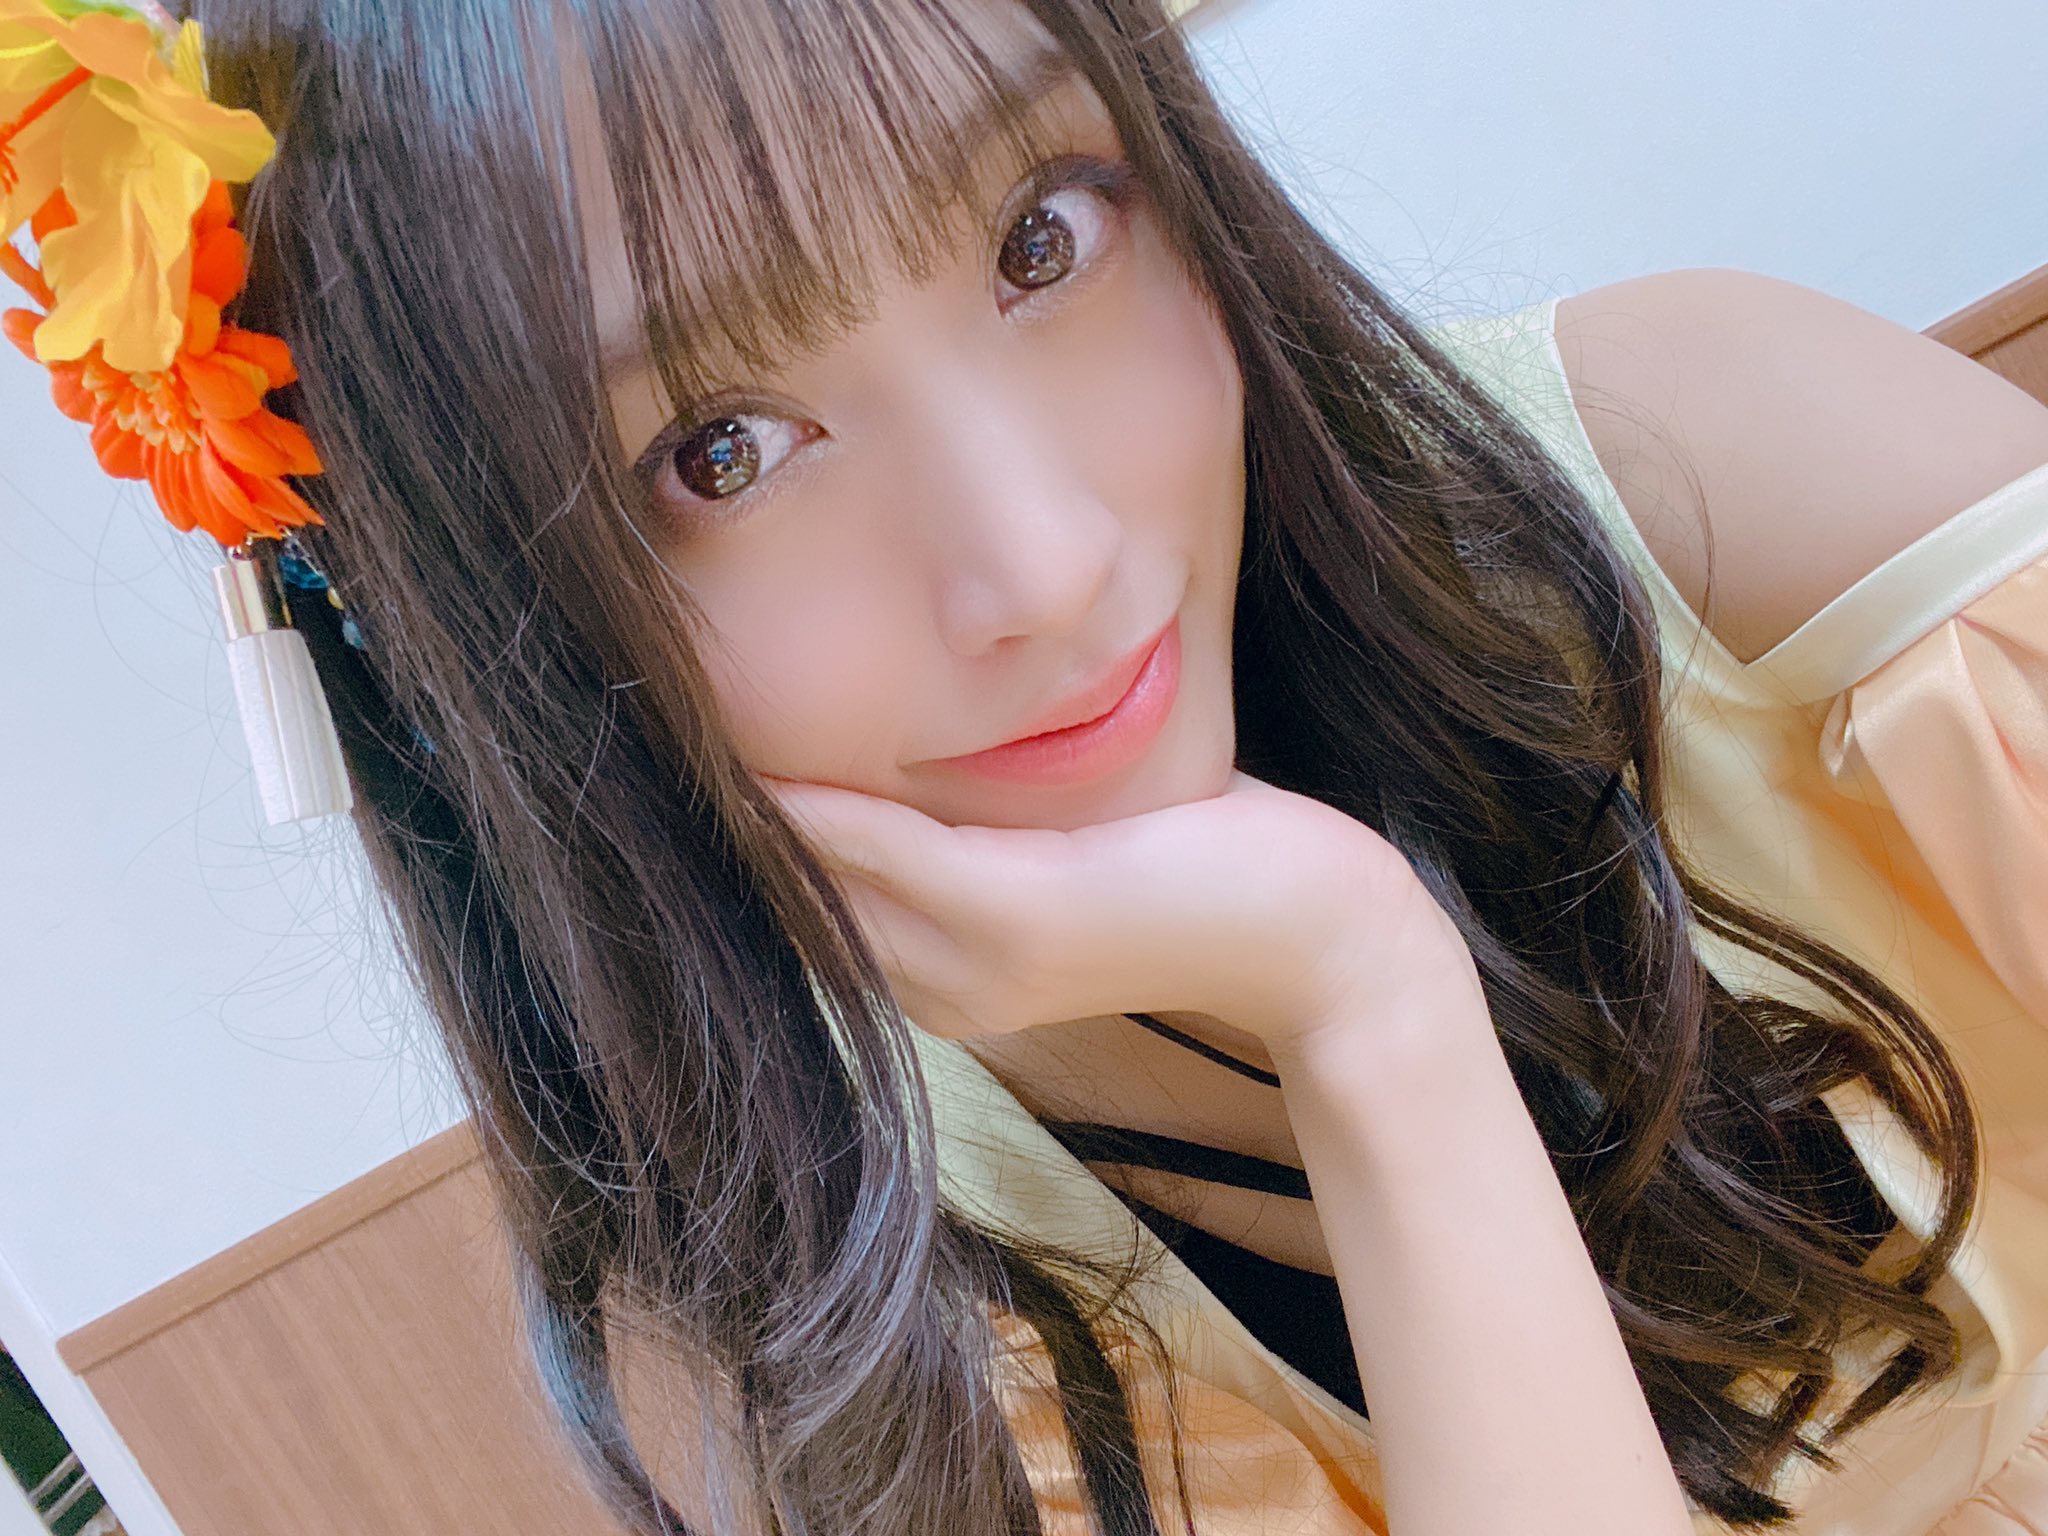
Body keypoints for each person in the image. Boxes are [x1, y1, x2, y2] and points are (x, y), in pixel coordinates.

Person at [4, 0, 2045, 1532]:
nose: (1047, 562)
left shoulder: (1718, 482)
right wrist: (1364, 1004)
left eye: (1041, 240)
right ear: (500, 640)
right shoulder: (898, 1294)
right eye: (721, 450)